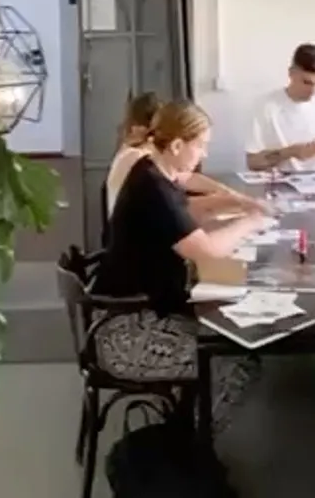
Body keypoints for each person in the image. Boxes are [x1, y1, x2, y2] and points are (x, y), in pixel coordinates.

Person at [93, 100, 267, 386]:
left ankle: (187, 420)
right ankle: (190, 429)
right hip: (128, 331)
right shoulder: (152, 187)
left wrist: (240, 204)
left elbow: (187, 211)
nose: (204, 154)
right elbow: (208, 253)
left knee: (228, 337)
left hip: (136, 311)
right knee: (237, 362)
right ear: (176, 146)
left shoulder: (154, 171)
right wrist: (252, 221)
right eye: (200, 146)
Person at [105, 91, 256, 218]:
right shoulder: (138, 159)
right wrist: (236, 204)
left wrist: (226, 193)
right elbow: (177, 209)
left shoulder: (148, 155)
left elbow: (185, 178)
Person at [246, 43, 315, 173]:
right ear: (291, 74)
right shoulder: (266, 105)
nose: (313, 91)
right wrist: (291, 152)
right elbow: (252, 162)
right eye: (307, 82)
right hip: (278, 185)